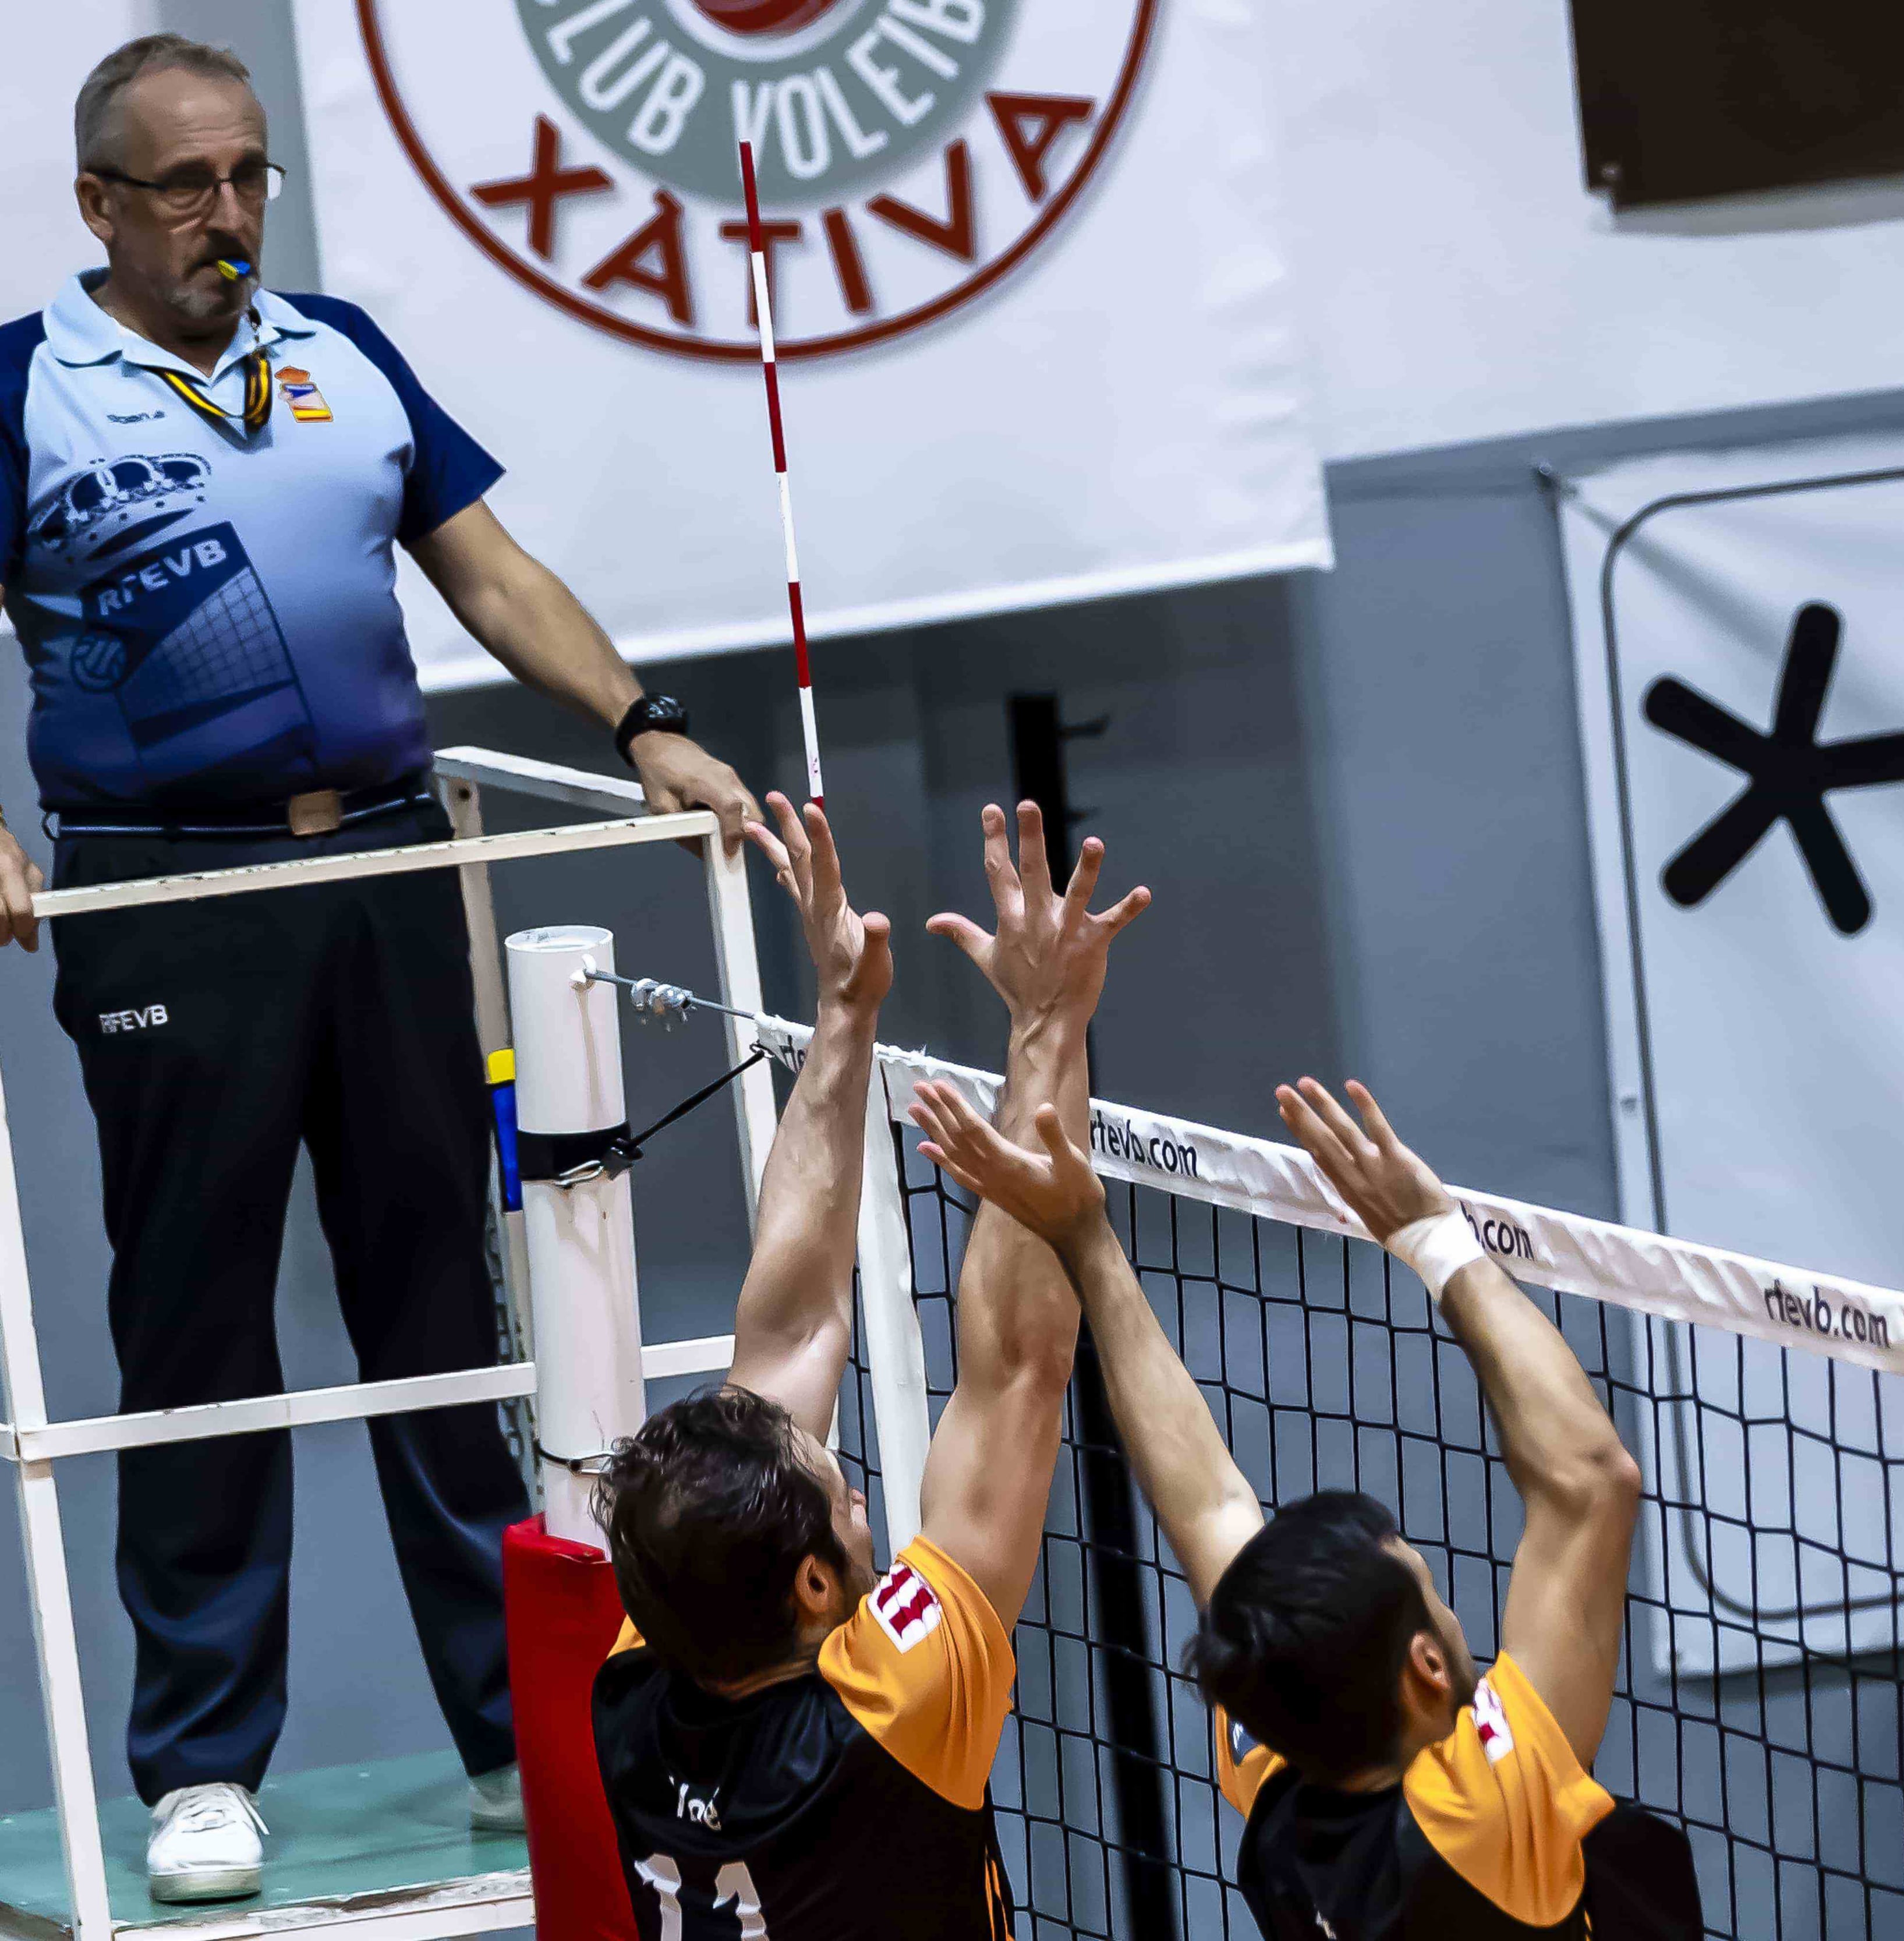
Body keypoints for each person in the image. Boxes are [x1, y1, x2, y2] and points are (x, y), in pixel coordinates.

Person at [0, 34, 758, 1900]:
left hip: (399, 864)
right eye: (185, 185)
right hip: (162, 890)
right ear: (96, 202)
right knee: (196, 1326)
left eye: (249, 174)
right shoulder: (26, 385)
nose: (228, 214)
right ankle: (197, 1765)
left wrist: (643, 717)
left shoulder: (339, 352)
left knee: (444, 1300)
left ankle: (518, 1722)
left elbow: (486, 569)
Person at [910, 1073, 1706, 1938]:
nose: (1444, 1602)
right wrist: (1433, 1239)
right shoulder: (1478, 1823)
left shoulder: (1286, 1791)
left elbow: (1211, 1504)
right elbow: (1592, 1479)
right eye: (1427, 1588)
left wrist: (1088, 1238)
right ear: (1427, 1670)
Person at [588, 794, 1145, 1940]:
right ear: (808, 1586)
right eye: (836, 1487)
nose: (856, 1489)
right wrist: (1047, 1022)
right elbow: (1019, 1367)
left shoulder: (645, 1677)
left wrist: (844, 1012)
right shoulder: (886, 1710)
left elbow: (790, 1331)